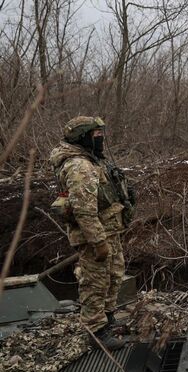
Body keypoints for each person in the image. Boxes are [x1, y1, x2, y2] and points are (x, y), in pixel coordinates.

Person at [49, 116, 134, 350]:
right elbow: (83, 210)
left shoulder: (92, 160)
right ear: (83, 137)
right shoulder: (80, 166)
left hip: (109, 229)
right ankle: (95, 330)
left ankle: (106, 318)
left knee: (114, 275)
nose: (101, 138)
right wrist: (97, 242)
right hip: (94, 235)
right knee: (95, 281)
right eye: (96, 135)